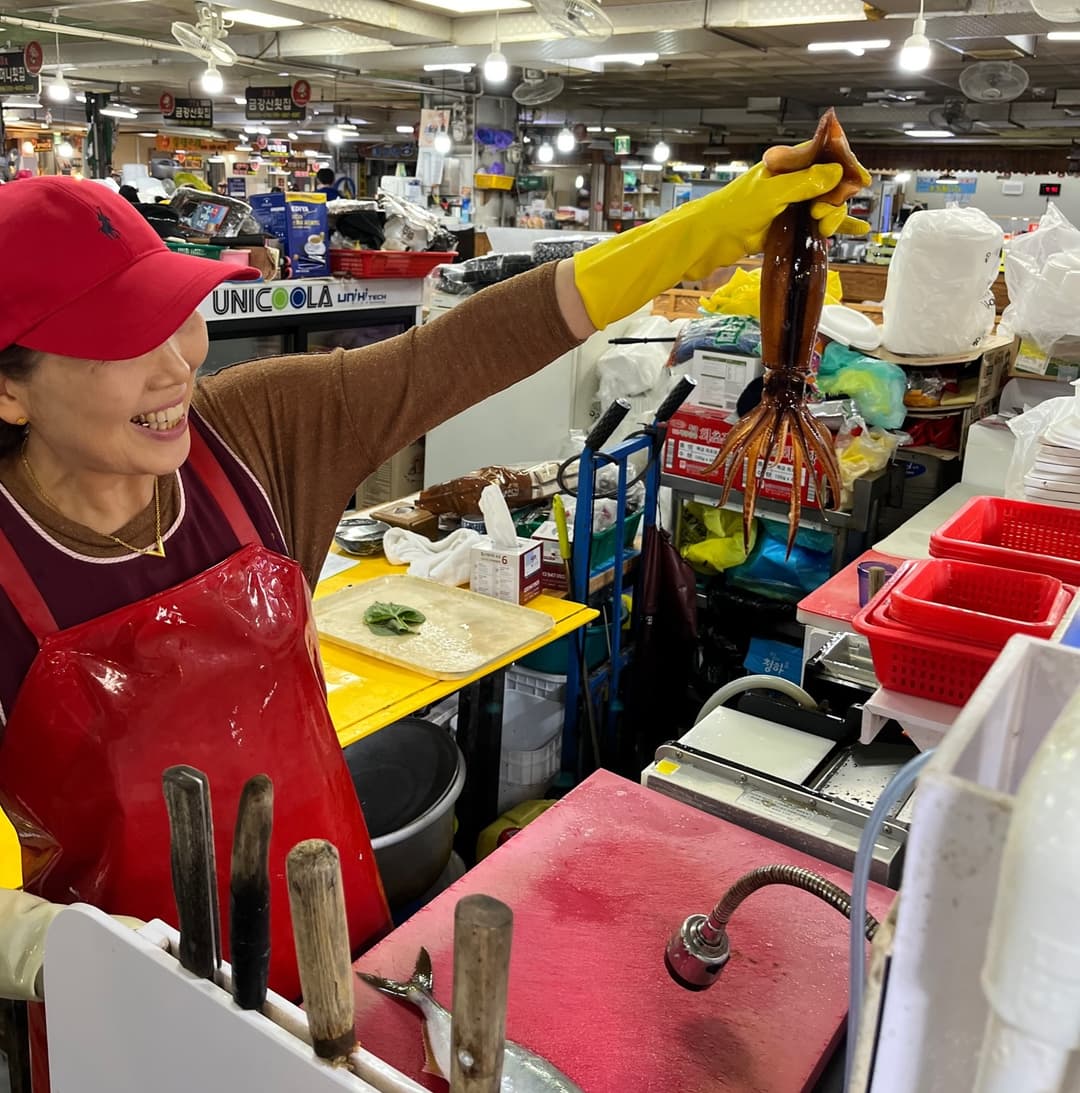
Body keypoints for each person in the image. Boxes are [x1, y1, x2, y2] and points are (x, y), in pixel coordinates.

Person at [0, 163, 863, 1084]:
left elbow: (468, 348)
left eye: (178, 316)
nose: (179, 361)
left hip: (327, 941)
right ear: (11, 392)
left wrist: (719, 224)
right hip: (119, 1003)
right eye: (121, 341)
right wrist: (60, 949)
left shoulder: (253, 435)